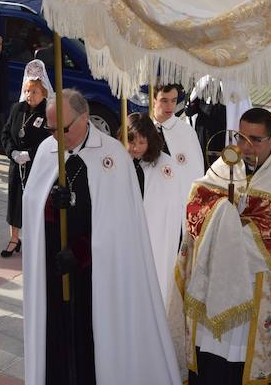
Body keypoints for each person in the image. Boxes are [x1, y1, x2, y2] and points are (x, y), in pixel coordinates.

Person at [22, 88, 181, 385]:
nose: (56, 135)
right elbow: (31, 207)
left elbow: (121, 226)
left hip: (95, 275)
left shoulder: (113, 156)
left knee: (89, 342)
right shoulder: (47, 150)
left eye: (63, 129)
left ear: (85, 118)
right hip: (52, 268)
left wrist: (82, 252)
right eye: (51, 127)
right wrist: (50, 207)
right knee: (55, 337)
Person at [169, 107, 271, 384]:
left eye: (255, 140)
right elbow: (196, 205)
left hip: (256, 294)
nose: (244, 147)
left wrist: (234, 231)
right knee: (211, 364)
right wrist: (221, 216)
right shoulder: (223, 167)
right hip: (214, 287)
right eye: (240, 137)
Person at [126, 112, 184, 307]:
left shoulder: (164, 165)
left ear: (150, 141)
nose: (135, 148)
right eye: (131, 141)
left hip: (155, 236)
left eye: (142, 142)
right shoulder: (120, 161)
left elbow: (169, 204)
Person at [0, 60, 51, 258]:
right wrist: (12, 152)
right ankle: (14, 238)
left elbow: (49, 140)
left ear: (43, 92)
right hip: (16, 164)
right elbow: (5, 133)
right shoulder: (17, 109)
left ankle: (36, 238)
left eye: (34, 92)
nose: (30, 95)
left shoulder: (47, 113)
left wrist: (30, 154)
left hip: (36, 165)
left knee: (35, 201)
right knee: (15, 200)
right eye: (28, 91)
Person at [184, 75, 252, 163]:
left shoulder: (237, 87)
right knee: (205, 162)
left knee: (223, 165)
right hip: (204, 133)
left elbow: (243, 113)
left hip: (225, 134)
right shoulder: (204, 82)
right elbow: (192, 109)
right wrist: (190, 106)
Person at [153, 83, 205, 193]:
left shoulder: (187, 132)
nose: (170, 106)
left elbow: (196, 171)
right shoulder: (145, 129)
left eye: (173, 100)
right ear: (153, 100)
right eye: (164, 100)